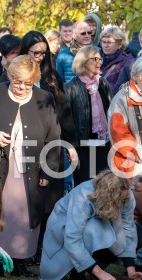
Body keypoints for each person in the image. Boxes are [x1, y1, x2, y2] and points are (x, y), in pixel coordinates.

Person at [0, 55, 61, 277]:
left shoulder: (44, 98)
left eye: (27, 83)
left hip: (30, 167)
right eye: (17, 81)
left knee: (24, 214)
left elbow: (54, 139)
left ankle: (21, 260)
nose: (21, 87)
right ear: (9, 76)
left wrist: (47, 170)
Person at [34, 170, 142, 280]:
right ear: (110, 197)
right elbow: (72, 238)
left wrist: (131, 270)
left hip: (96, 227)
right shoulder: (83, 197)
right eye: (121, 200)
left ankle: (90, 268)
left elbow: (128, 228)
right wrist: (100, 273)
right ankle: (79, 272)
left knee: (140, 232)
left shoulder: (126, 195)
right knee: (94, 229)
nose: (124, 203)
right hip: (63, 231)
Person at [18, 30, 64, 265]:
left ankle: (45, 247)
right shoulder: (18, 76)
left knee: (50, 200)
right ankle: (25, 247)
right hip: (25, 146)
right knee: (26, 199)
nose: (38, 56)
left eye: (43, 53)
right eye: (34, 52)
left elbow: (63, 113)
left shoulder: (51, 77)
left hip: (51, 145)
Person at [59, 45, 112, 186]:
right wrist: (71, 148)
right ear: (83, 61)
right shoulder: (69, 88)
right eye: (95, 59)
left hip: (103, 144)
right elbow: (65, 123)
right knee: (83, 188)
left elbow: (111, 113)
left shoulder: (103, 84)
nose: (99, 62)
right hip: (82, 148)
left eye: (100, 59)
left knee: (102, 187)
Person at [99, 26, 134, 91]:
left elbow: (126, 86)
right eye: (103, 42)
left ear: (120, 44)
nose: (106, 45)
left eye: (109, 42)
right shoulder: (95, 57)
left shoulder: (128, 61)